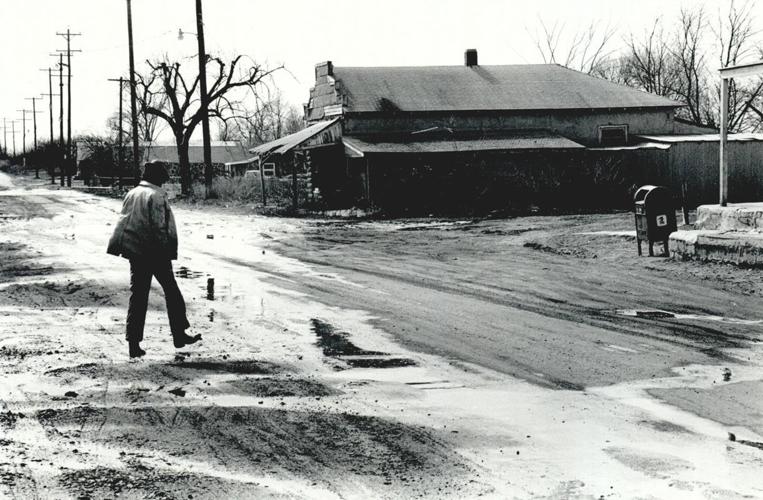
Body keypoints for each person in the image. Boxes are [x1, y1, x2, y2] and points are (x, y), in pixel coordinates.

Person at [107, 162, 201, 358]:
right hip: (154, 252)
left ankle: (134, 344)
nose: (165, 180)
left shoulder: (133, 193)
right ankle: (179, 334)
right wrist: (165, 253)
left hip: (135, 252)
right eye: (163, 177)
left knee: (138, 296)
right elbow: (159, 228)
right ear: (157, 177)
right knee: (172, 292)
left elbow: (124, 221)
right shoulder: (156, 196)